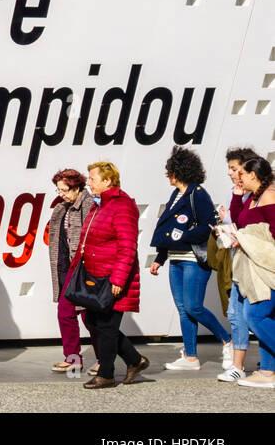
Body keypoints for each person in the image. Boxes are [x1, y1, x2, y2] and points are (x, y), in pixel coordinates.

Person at [148, 146, 232, 371]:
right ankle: (191, 357)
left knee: (194, 307)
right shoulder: (176, 195)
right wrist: (160, 258)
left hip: (194, 259)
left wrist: (183, 236)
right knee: (183, 309)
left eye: (170, 170)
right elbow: (169, 230)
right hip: (176, 260)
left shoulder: (198, 194)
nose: (167, 175)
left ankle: (228, 341)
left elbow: (207, 226)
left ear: (179, 172)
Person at [77, 161, 148, 390]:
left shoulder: (122, 206)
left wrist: (118, 279)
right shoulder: (100, 205)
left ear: (108, 181)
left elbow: (128, 247)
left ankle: (106, 374)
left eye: (92, 179)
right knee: (94, 322)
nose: (89, 183)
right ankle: (136, 360)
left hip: (112, 278)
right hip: (95, 277)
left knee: (106, 325)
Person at [228, 156, 275, 389]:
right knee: (265, 316)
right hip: (254, 267)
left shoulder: (269, 196)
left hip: (268, 268)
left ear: (253, 175)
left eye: (243, 174)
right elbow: (240, 221)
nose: (239, 177)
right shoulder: (254, 197)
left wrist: (246, 239)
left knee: (254, 315)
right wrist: (237, 197)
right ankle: (268, 371)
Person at [218, 146, 262, 382]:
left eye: (235, 169)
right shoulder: (239, 193)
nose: (231, 174)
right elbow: (237, 222)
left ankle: (265, 363)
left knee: (258, 313)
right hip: (240, 258)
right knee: (236, 312)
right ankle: (238, 365)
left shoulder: (263, 195)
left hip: (258, 262)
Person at [47, 168, 96, 373]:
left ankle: (104, 359)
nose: (61, 194)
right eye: (58, 190)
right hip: (68, 268)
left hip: (86, 268)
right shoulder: (62, 207)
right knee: (65, 312)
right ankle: (73, 358)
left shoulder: (89, 204)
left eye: (64, 190)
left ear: (76, 187)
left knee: (90, 316)